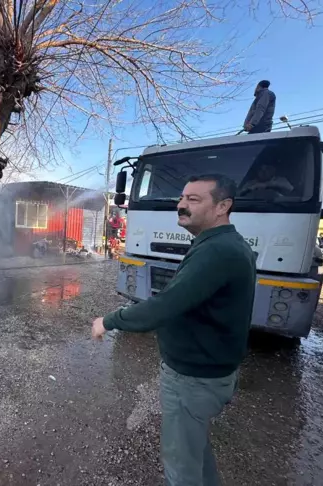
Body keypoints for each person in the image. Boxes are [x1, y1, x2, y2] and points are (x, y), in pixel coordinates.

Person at [92, 174, 256, 486]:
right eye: (181, 198)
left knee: (181, 468)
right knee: (195, 452)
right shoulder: (220, 244)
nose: (181, 205)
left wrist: (108, 320)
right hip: (207, 372)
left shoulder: (218, 251)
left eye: (194, 200)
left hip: (193, 379)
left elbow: (163, 307)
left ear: (223, 206)